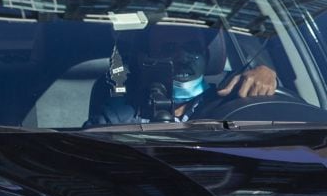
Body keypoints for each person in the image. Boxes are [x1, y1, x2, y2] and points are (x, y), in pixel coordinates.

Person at [86, 24, 277, 126]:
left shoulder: (232, 101)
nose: (183, 58)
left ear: (207, 56)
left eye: (192, 48)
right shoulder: (118, 114)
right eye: (169, 48)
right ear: (146, 58)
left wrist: (266, 76)